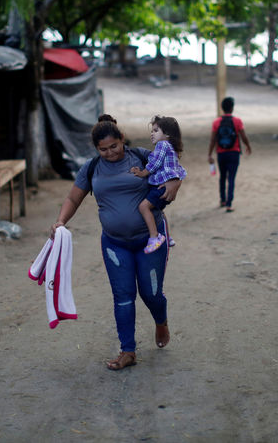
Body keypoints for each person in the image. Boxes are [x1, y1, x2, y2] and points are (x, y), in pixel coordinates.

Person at [50, 115, 181, 371]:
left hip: (149, 240)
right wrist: (60, 222)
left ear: (123, 139)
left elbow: (172, 164)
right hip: (114, 243)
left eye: (114, 146)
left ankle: (160, 321)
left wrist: (174, 183)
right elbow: (73, 199)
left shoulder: (141, 156)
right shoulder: (91, 168)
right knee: (122, 296)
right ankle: (127, 350)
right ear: (96, 149)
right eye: (103, 149)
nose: (110, 153)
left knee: (151, 293)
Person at [129, 116, 187, 254]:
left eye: (156, 130)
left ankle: (154, 236)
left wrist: (143, 173)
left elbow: (155, 162)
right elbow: (181, 170)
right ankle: (167, 236)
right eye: (152, 131)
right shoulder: (172, 149)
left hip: (159, 187)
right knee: (158, 211)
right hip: (163, 187)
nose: (152, 133)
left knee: (143, 207)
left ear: (166, 134)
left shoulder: (163, 145)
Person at [207, 97, 252, 213]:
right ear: (232, 108)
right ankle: (229, 204)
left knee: (222, 177)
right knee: (231, 178)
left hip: (221, 153)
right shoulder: (237, 121)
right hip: (234, 153)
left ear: (222, 108)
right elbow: (243, 136)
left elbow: (212, 140)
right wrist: (248, 146)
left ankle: (222, 200)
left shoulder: (216, 122)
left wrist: (209, 154)